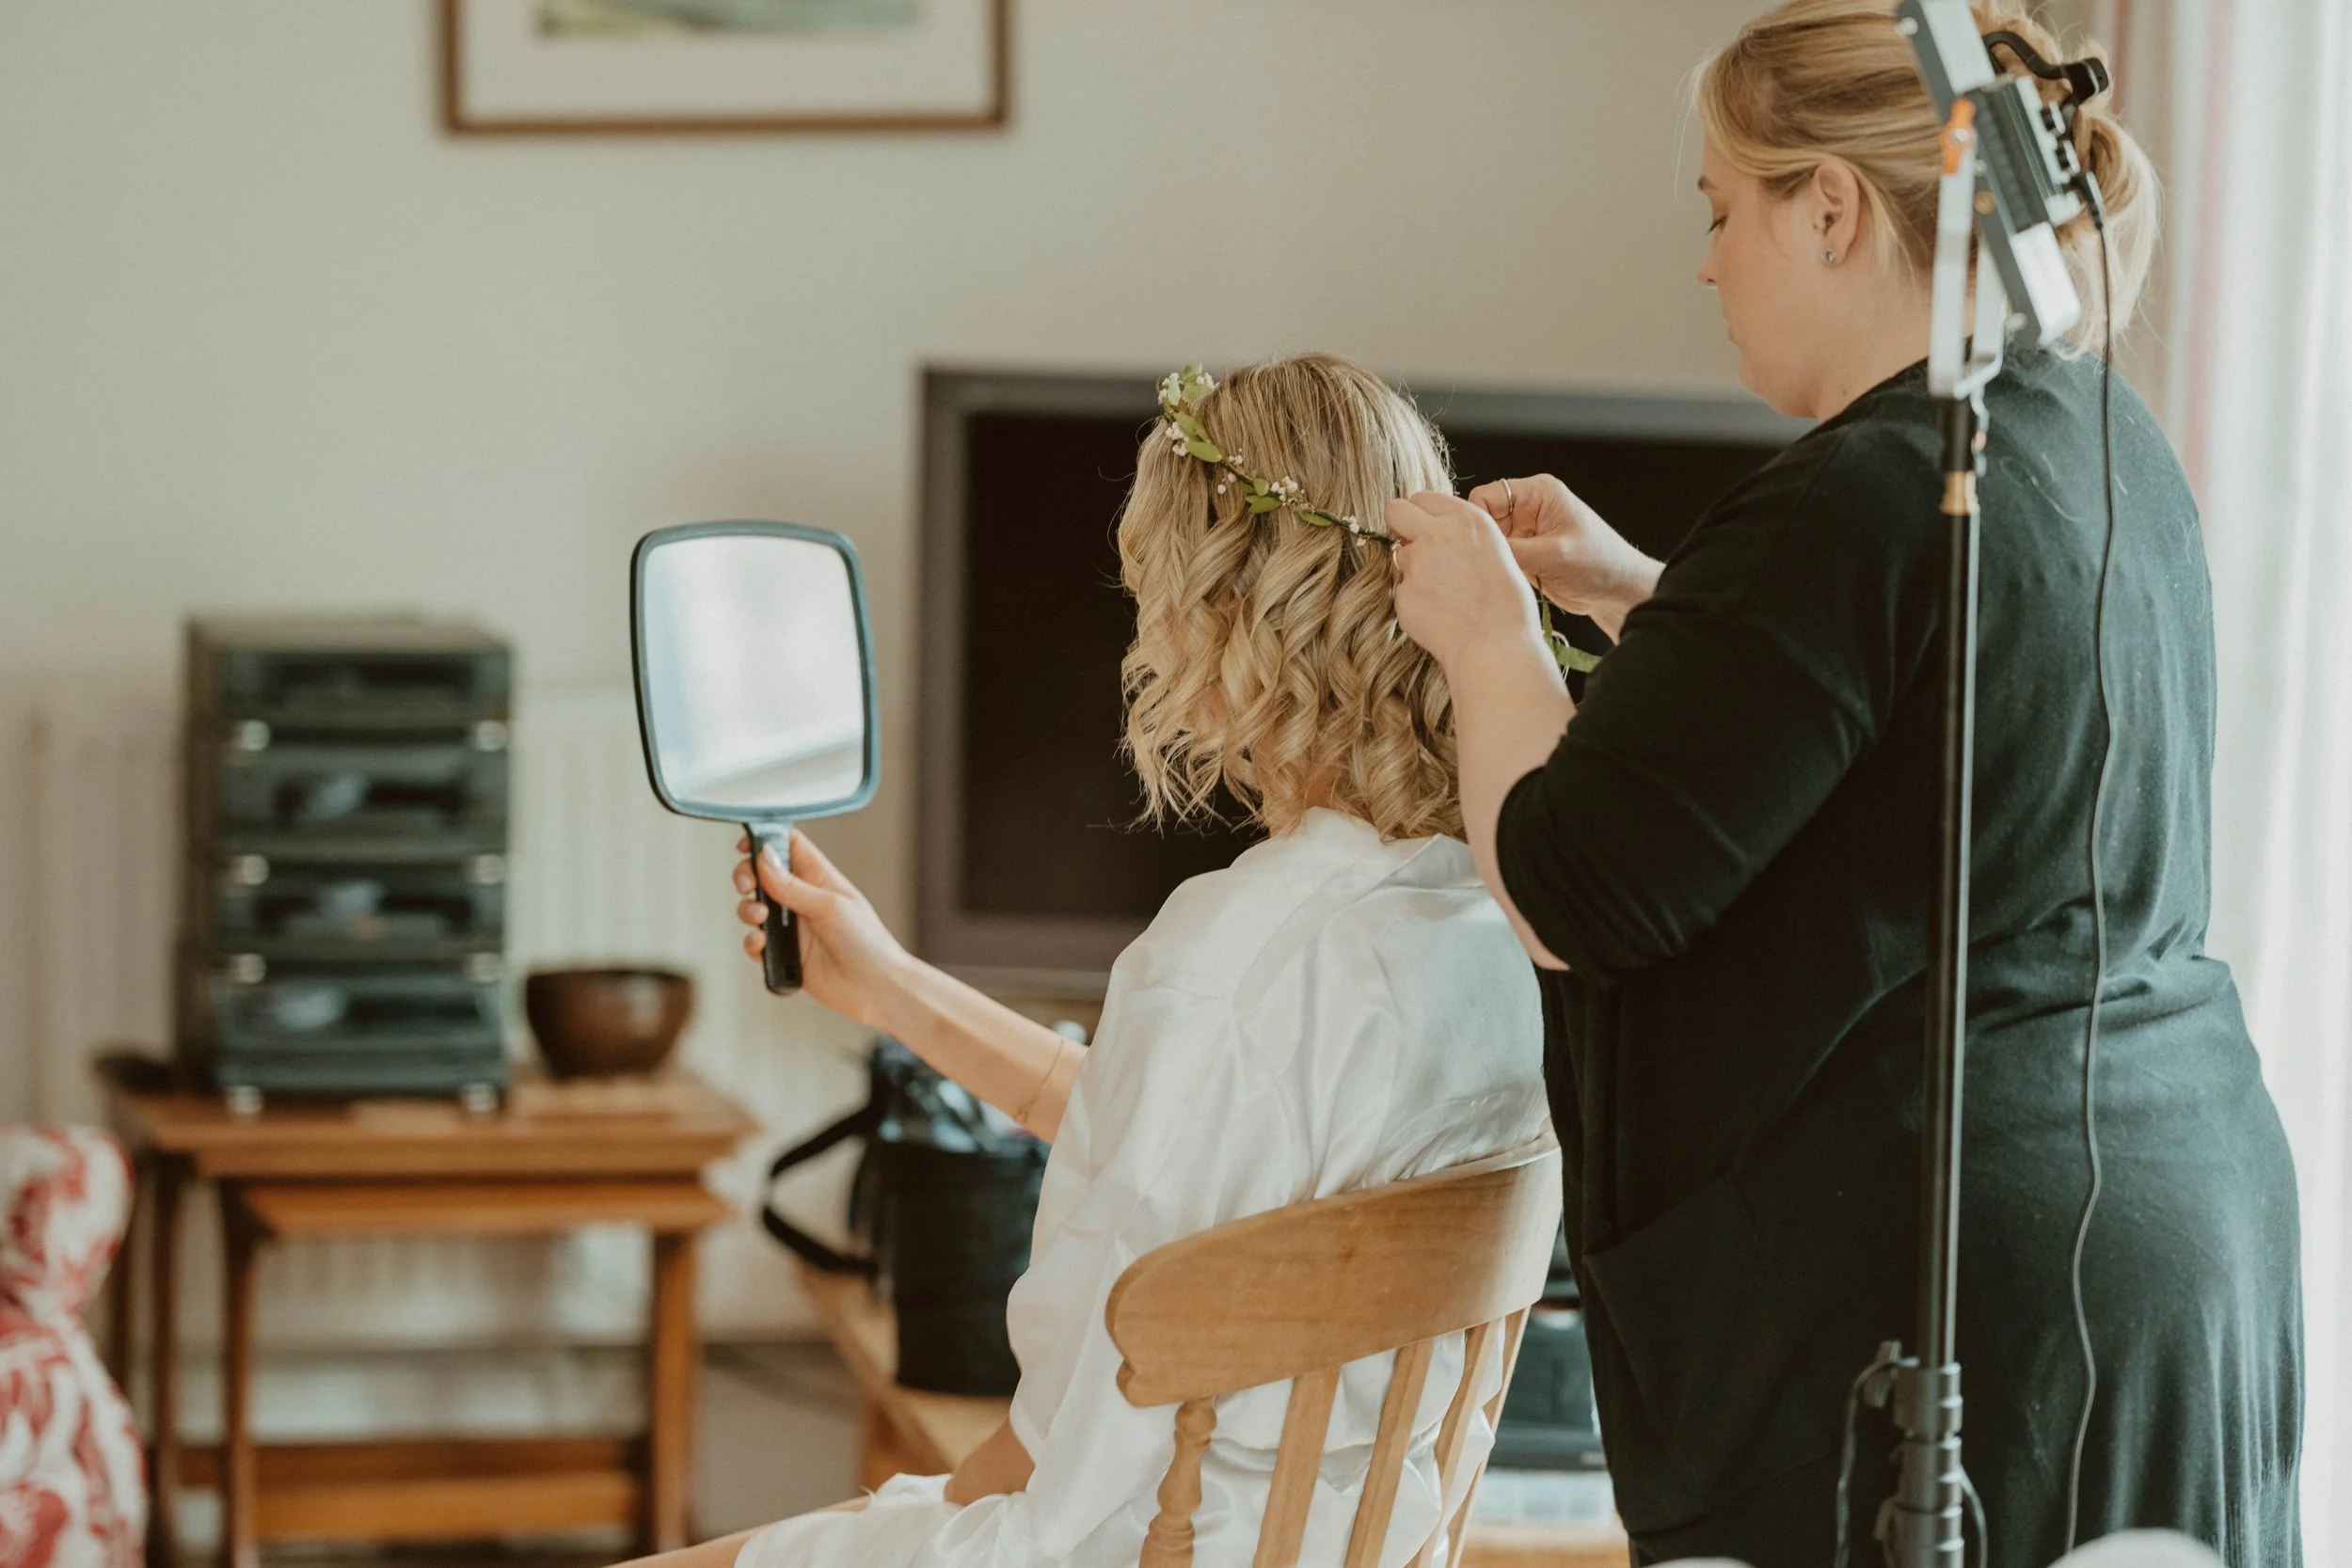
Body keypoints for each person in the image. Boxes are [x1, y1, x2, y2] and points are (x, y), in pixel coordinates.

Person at [1381, 4, 2301, 1566]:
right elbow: (1931, 706)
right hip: (2178, 1245)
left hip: (1974, 1304)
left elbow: (1571, 882)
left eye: (1723, 210)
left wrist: (1486, 638)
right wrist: (1645, 597)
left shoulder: (1858, 490)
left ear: (1832, 208)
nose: (1706, 260)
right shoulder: (2089, 427)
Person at [634, 354, 1550, 1568]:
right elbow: (1195, 1168)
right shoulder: (1495, 932)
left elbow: (1072, 1422)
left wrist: (910, 1516)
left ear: (1212, 617)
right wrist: (891, 985)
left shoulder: (1232, 958)